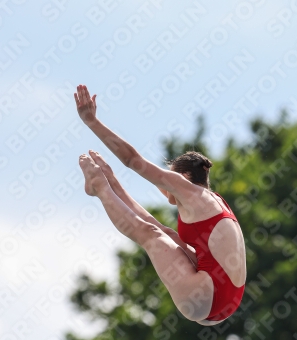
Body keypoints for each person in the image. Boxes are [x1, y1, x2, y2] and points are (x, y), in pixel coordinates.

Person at [74, 84, 246, 325]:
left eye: (169, 178)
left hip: (205, 297)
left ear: (183, 177)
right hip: (223, 301)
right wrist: (114, 180)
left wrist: (91, 121)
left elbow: (132, 160)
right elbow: (155, 222)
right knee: (164, 233)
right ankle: (106, 184)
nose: (164, 189)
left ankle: (99, 188)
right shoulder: (212, 202)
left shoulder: (187, 189)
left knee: (151, 236)